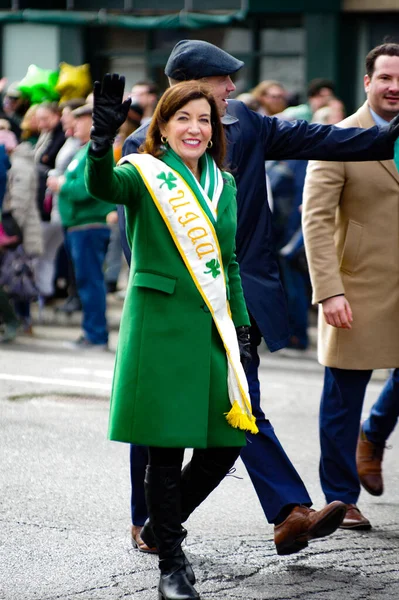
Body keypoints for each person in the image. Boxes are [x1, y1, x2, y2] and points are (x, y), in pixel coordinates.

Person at [120, 39, 399, 557]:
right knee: (158, 418)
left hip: (239, 301)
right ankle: (149, 520)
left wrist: (388, 135)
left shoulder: (246, 123)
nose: (232, 88)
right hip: (176, 309)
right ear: (192, 84)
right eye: (223, 80)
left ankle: (289, 512)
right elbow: (133, 241)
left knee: (243, 405)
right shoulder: (144, 145)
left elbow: (321, 137)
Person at [86, 74, 259, 600]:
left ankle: (161, 525)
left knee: (227, 443)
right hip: (159, 326)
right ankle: (172, 564)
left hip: (210, 326)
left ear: (214, 131)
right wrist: (101, 143)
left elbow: (227, 262)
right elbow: (102, 188)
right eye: (182, 117)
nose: (195, 127)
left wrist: (244, 326)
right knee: (165, 447)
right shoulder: (143, 173)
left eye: (204, 119)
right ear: (162, 126)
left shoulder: (224, 185)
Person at [302, 42, 399, 530]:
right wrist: (329, 289)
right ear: (368, 82)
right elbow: (315, 219)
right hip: (356, 287)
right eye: (385, 77)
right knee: (343, 393)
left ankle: (375, 431)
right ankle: (342, 497)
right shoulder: (338, 137)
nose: (394, 87)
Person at [56, 103, 113, 350]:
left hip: (89, 226)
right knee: (86, 282)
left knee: (91, 282)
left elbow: (87, 188)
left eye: (80, 120)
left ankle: (96, 335)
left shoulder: (94, 151)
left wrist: (62, 186)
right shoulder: (83, 151)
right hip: (78, 226)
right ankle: (91, 332)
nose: (74, 125)